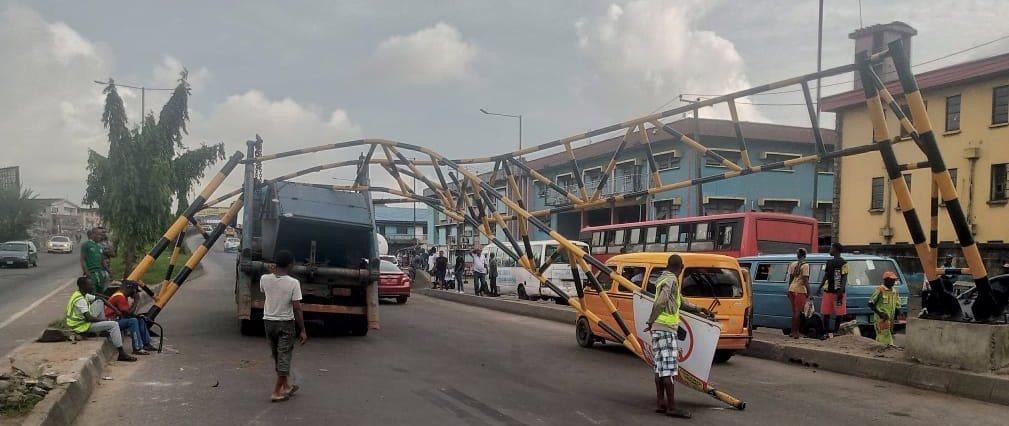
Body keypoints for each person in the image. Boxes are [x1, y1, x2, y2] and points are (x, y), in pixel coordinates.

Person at [644, 254, 710, 419]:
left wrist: (699, 309)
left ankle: (661, 403)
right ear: (680, 268)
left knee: (660, 367)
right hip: (666, 330)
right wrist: (650, 320)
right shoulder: (672, 279)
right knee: (669, 370)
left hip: (659, 329)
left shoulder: (662, 278)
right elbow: (661, 301)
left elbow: (681, 301)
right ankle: (672, 407)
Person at [260, 250, 307, 402]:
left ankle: (286, 386)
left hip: (268, 322)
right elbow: (297, 308)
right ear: (290, 265)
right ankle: (276, 392)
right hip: (285, 323)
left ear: (275, 264)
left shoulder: (264, 279)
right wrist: (303, 329)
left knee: (277, 356)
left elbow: (265, 289)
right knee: (284, 357)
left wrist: (272, 272)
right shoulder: (293, 283)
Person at [65, 276, 137, 362]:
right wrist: (105, 321)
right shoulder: (80, 299)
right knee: (114, 325)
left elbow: (101, 299)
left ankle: (103, 330)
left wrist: (116, 310)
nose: (92, 287)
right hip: (80, 326)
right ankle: (121, 354)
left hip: (81, 321)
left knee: (99, 302)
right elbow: (89, 318)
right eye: (90, 285)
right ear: (83, 286)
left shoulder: (82, 294)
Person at [103, 280, 157, 355]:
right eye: (135, 291)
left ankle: (146, 344)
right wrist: (136, 301)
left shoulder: (122, 296)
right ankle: (137, 348)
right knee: (133, 321)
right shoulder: (119, 296)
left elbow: (127, 313)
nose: (135, 293)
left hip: (116, 320)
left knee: (140, 319)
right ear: (129, 288)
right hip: (111, 322)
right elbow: (128, 313)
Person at [820, 243, 848, 339]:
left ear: (835, 249)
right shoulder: (829, 262)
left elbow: (844, 278)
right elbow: (826, 276)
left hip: (836, 292)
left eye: (831, 248)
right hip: (830, 291)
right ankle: (828, 332)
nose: (830, 250)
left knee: (836, 313)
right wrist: (820, 286)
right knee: (828, 313)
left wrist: (841, 291)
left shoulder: (844, 263)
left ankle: (833, 332)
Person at [868, 271, 902, 346]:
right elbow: (870, 303)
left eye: (894, 280)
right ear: (886, 280)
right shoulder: (880, 290)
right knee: (883, 334)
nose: (893, 281)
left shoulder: (894, 291)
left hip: (890, 317)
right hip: (882, 318)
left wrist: (899, 311)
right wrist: (880, 313)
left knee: (888, 333)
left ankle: (883, 347)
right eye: (891, 280)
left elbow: (897, 303)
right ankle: (886, 347)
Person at [786, 248, 811, 339]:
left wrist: (788, 289)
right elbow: (805, 280)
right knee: (798, 312)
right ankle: (796, 333)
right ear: (805, 255)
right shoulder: (806, 265)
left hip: (792, 289)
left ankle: (792, 332)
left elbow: (791, 278)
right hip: (800, 290)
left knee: (794, 312)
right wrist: (809, 293)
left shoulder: (793, 264)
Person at [80, 228, 109, 295]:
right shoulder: (86, 245)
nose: (100, 237)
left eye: (101, 235)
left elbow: (102, 260)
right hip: (91, 273)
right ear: (93, 234)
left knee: (101, 293)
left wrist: (108, 270)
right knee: (92, 293)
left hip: (100, 273)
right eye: (99, 235)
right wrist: (87, 272)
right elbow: (82, 259)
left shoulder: (99, 246)